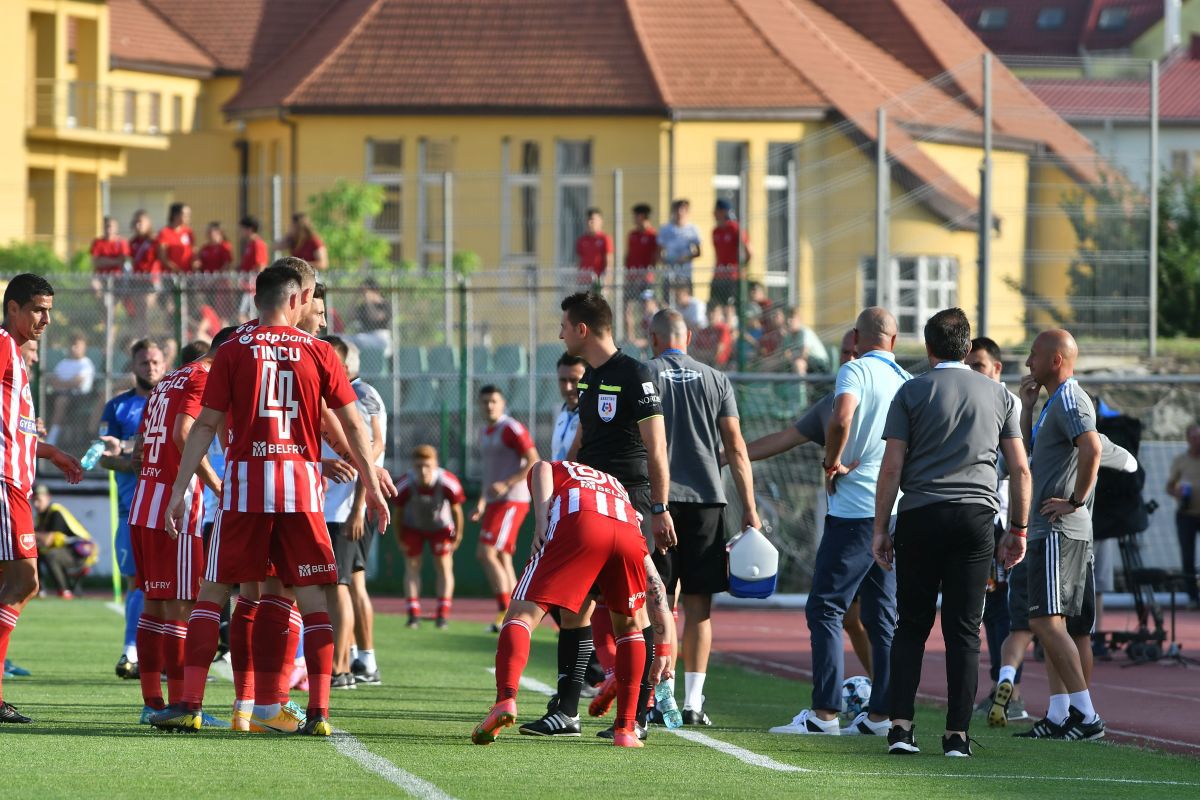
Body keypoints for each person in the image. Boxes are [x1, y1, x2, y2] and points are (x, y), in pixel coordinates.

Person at [149, 259, 389, 736]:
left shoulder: (234, 348)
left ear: (257, 299)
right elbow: (353, 424)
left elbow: (206, 425)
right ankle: (318, 711)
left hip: (243, 492)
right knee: (313, 600)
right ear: (299, 297)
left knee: (215, 593)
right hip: (300, 492)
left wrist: (180, 491)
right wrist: (371, 478)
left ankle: (191, 704)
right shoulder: (320, 353)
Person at [871, 309, 1031, 757]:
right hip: (976, 517)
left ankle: (901, 728)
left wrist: (881, 528)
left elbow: (892, 466)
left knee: (911, 625)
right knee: (965, 629)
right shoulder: (1000, 395)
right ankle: (957, 735)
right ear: (967, 347)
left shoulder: (911, 390)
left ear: (928, 348)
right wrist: (1017, 528)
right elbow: (1019, 468)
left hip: (921, 513)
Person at [519, 292, 675, 741]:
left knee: (634, 612)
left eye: (565, 326)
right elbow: (580, 446)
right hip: (587, 503)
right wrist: (563, 486)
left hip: (632, 504)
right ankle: (566, 710)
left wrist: (659, 510)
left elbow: (657, 449)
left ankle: (639, 713)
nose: (560, 333)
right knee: (575, 607)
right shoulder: (589, 381)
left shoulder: (636, 374)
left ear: (583, 329)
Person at [472, 460, 676, 748]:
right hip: (628, 535)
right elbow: (656, 587)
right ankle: (626, 729)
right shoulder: (617, 489)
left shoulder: (565, 468)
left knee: (522, 614)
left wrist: (541, 521)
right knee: (630, 627)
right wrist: (665, 648)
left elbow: (540, 466)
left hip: (580, 522)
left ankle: (505, 700)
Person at [771, 307, 907, 737]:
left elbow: (842, 416)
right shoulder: (906, 381)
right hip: (894, 510)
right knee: (883, 617)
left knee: (826, 607)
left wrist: (832, 461)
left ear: (855, 336)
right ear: (895, 339)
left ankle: (825, 713)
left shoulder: (854, 372)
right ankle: (882, 715)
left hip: (854, 511)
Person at [647, 308, 759, 726]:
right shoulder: (717, 378)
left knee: (658, 604)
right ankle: (693, 703)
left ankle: (662, 699)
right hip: (708, 503)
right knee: (700, 607)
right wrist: (749, 507)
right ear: (689, 336)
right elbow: (736, 447)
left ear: (653, 337)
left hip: (659, 502)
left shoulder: (644, 373)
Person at [740, 331, 873, 674]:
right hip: (850, 518)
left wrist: (833, 462)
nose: (850, 359)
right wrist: (730, 455)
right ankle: (882, 700)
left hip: (883, 518)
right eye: (844, 352)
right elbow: (785, 437)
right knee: (851, 615)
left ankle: (831, 710)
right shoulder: (832, 402)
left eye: (857, 351)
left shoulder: (892, 394)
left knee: (839, 610)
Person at [128, 331, 231, 725]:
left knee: (154, 608)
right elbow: (184, 433)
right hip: (177, 508)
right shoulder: (202, 377)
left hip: (144, 505)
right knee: (182, 609)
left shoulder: (167, 379)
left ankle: (152, 703)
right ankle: (181, 706)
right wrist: (215, 483)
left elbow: (141, 446)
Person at [0, 274, 85, 723]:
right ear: (12, 308)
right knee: (24, 583)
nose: (46, 319)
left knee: (13, 585)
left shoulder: (17, 355)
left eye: (49, 310)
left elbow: (18, 431)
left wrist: (53, 454)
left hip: (16, 483)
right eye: (37, 309)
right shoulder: (2, 345)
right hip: (3, 484)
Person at [1013, 329, 1105, 741]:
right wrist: (1027, 408)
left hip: (1058, 529)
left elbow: (1092, 448)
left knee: (1047, 621)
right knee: (1053, 622)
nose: (1028, 363)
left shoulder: (1070, 398)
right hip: (1051, 529)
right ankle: (1058, 713)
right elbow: (1039, 454)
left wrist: (1076, 500)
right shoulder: (1054, 401)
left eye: (1033, 355)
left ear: (1055, 360)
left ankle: (1086, 717)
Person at [964, 336, 1029, 725]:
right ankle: (998, 686)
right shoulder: (973, 400)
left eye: (980, 366)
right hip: (981, 517)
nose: (973, 373)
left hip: (1001, 520)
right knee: (987, 608)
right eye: (968, 365)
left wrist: (1015, 528)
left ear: (997, 369)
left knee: (1005, 608)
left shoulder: (1009, 404)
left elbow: (1015, 466)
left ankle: (1013, 692)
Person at [320, 336, 386, 689]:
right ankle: (361, 660)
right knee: (349, 584)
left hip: (342, 508)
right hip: (339, 505)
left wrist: (358, 507)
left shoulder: (358, 395)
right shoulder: (357, 394)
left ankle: (340, 666)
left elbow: (370, 454)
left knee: (338, 585)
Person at [100, 338, 166, 680]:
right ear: (134, 366)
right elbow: (103, 457)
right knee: (136, 582)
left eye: (156, 362)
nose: (151, 367)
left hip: (171, 508)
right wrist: (133, 462)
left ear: (165, 363)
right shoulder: (117, 407)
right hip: (132, 509)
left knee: (173, 585)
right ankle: (131, 651)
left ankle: (161, 655)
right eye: (144, 363)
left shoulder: (173, 400)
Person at [471, 385, 538, 632]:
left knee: (485, 552)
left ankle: (504, 611)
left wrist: (507, 483)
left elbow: (534, 459)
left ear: (503, 403)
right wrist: (480, 502)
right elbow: (490, 474)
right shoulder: (485, 432)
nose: (489, 405)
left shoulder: (511, 428)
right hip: (496, 501)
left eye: (494, 401)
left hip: (513, 499)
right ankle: (517, 614)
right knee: (501, 556)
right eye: (485, 401)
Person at [396, 445, 465, 629]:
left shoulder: (448, 482)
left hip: (441, 527)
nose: (423, 471)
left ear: (435, 465)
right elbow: (398, 513)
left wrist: (457, 536)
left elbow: (457, 511)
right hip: (413, 527)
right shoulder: (405, 483)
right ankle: (413, 615)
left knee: (443, 566)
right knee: (412, 566)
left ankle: (442, 615)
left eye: (427, 465)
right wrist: (400, 537)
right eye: (418, 466)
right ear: (413, 466)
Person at [33, 484, 96, 598]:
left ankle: (65, 591)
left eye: (39, 500)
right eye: (34, 500)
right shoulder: (40, 516)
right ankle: (38, 590)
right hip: (67, 550)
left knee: (50, 555)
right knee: (32, 552)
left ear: (48, 498)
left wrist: (31, 534)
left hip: (82, 551)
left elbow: (47, 541)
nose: (36, 504)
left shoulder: (56, 512)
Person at [1167, 424, 1200, 609]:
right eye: (1194, 437)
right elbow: (1169, 487)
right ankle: (1193, 598)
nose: (1198, 441)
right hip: (1186, 515)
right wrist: (1178, 492)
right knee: (1187, 557)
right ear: (1188, 439)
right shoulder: (1180, 460)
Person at [44, 331, 95, 447]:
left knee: (61, 401)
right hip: (58, 394)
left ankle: (51, 438)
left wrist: (62, 383)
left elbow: (77, 383)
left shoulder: (86, 364)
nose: (73, 348)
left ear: (84, 347)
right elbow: (53, 381)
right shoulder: (63, 363)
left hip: (81, 398)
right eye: (71, 345)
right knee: (49, 399)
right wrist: (67, 383)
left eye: (77, 345)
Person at [710, 198, 751, 308]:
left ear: (722, 212)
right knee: (715, 304)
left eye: (716, 210)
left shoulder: (735, 229)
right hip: (719, 275)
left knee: (731, 306)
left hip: (733, 277)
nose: (713, 213)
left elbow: (748, 252)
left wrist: (739, 267)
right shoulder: (716, 231)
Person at [657, 199, 701, 291]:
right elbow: (659, 252)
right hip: (669, 273)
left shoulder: (693, 229)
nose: (679, 213)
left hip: (685, 273)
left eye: (683, 210)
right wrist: (667, 261)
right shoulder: (666, 229)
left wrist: (684, 258)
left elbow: (698, 252)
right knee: (668, 302)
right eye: (677, 210)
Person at [551, 353, 585, 461]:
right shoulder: (563, 414)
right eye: (563, 380)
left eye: (574, 380)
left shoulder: (593, 416)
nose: (568, 387)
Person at [237, 216, 269, 321]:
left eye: (241, 229)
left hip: (252, 287)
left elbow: (261, 265)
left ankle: (250, 335)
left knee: (243, 314)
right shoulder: (250, 244)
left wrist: (255, 284)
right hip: (246, 284)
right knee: (244, 314)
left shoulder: (258, 244)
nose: (240, 232)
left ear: (249, 229)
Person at [624, 203, 658, 301]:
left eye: (635, 216)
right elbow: (628, 255)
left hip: (646, 278)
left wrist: (648, 273)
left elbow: (655, 257)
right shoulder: (632, 235)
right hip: (631, 277)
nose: (633, 218)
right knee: (627, 306)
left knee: (647, 305)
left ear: (641, 216)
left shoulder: (653, 235)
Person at [575, 208, 613, 289]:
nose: (589, 223)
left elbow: (609, 261)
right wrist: (578, 277)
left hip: (598, 280)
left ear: (600, 221)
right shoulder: (582, 240)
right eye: (588, 220)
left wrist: (607, 280)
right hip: (584, 280)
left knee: (596, 301)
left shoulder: (605, 239)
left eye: (592, 220)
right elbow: (579, 260)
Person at [157, 202, 194, 274]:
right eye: (185, 215)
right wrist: (177, 270)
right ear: (176, 215)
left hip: (188, 274)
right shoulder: (165, 232)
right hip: (171, 275)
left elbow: (192, 250)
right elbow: (162, 257)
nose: (188, 217)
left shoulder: (188, 231)